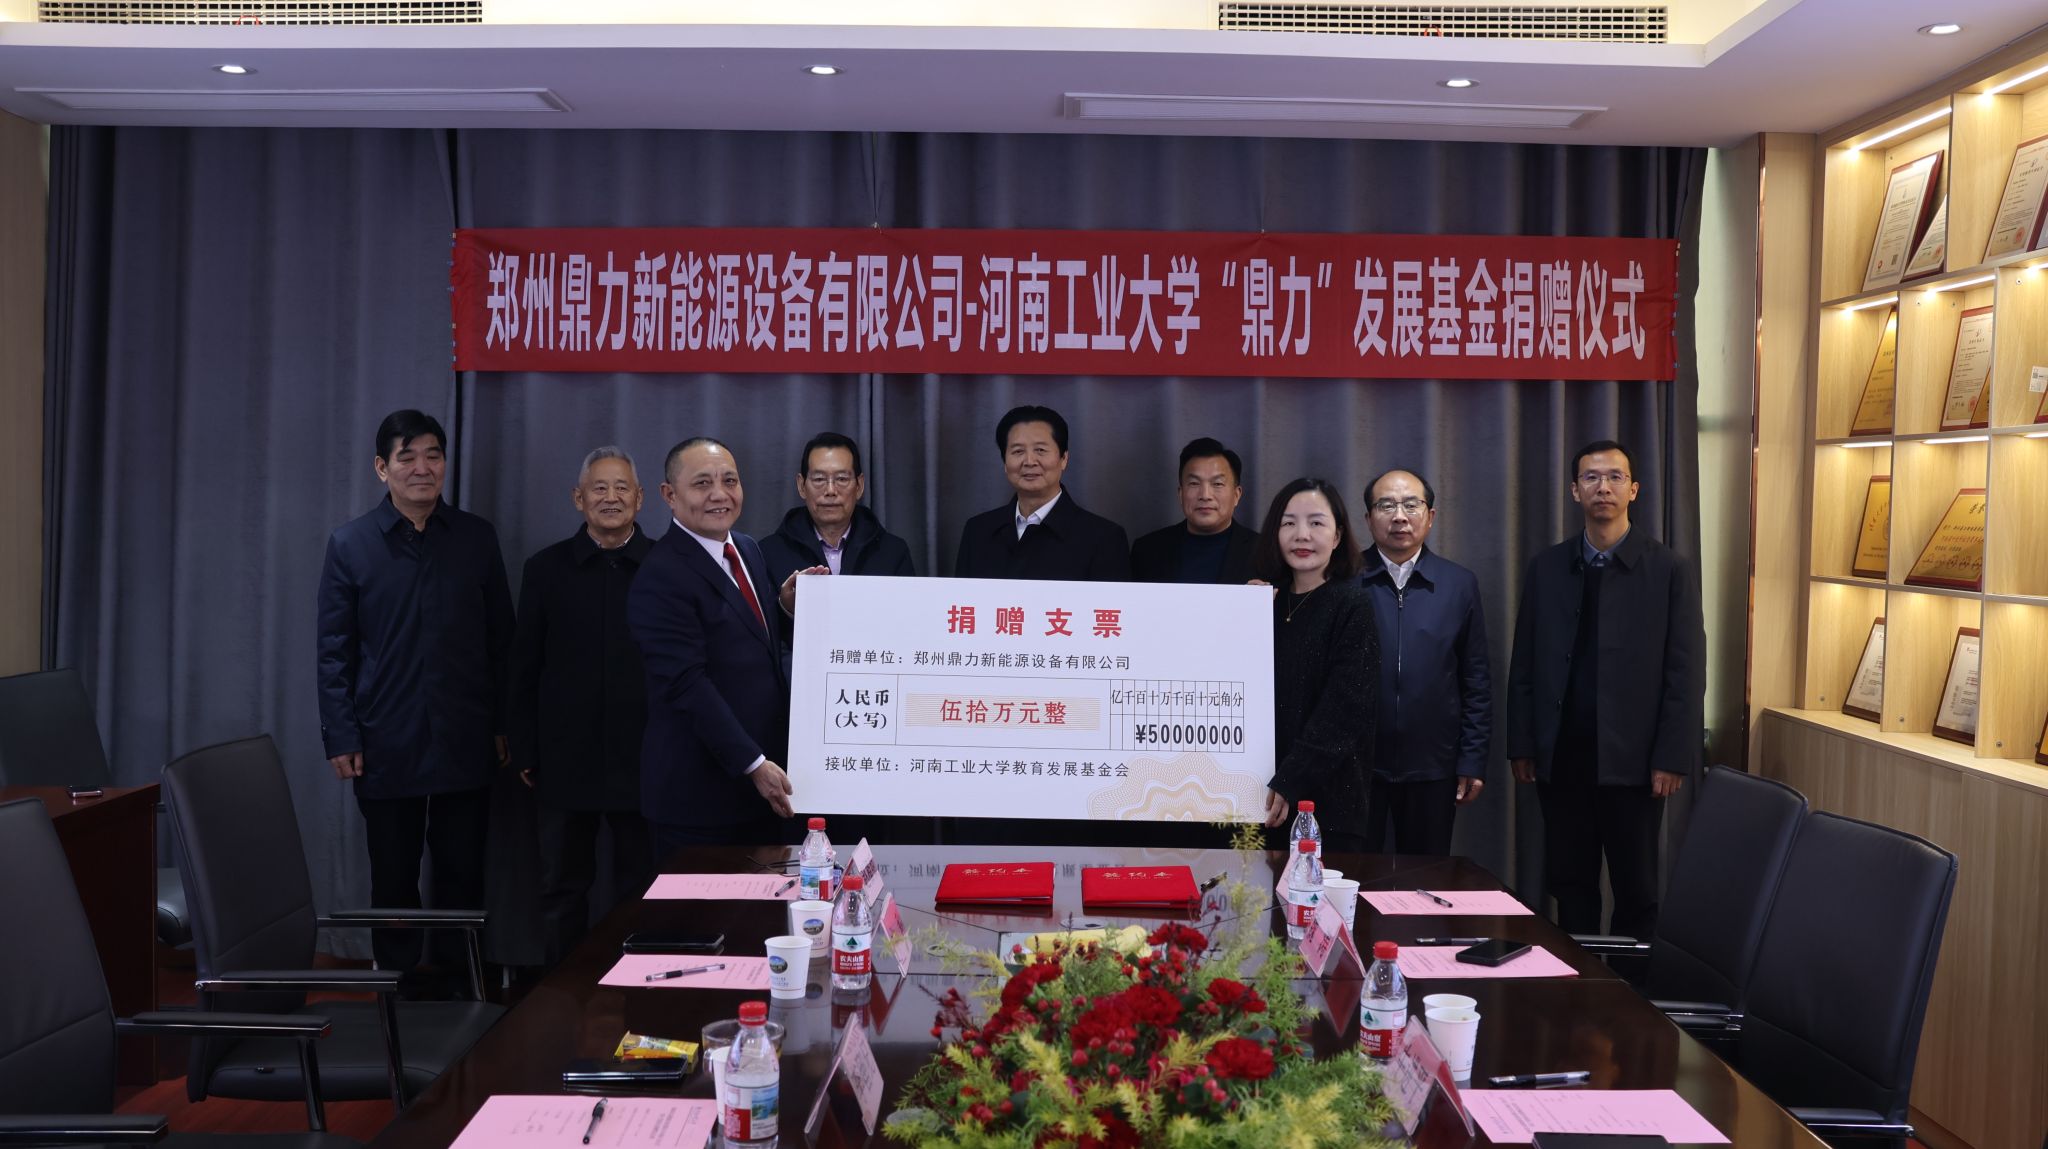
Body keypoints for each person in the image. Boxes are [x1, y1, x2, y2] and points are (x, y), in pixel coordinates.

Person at [316, 409, 513, 988]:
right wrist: (342, 734)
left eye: (433, 455)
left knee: (461, 869)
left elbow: (502, 640)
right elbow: (333, 651)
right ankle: (396, 991)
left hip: (465, 733)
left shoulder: (475, 537)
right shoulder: (351, 544)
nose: (422, 468)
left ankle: (459, 983)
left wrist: (504, 724)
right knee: (394, 873)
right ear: (383, 468)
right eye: (407, 457)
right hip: (386, 738)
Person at [1507, 439, 1705, 940]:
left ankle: (1631, 986)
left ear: (1634, 490)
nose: (1604, 487)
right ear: (1575, 491)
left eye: (1616, 477)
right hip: (1563, 757)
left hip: (1636, 764)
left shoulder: (1669, 570)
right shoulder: (1547, 567)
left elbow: (1686, 672)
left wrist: (1672, 756)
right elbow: (1524, 663)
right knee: (1570, 884)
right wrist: (1523, 745)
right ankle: (1579, 980)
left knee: (1637, 890)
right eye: (1591, 477)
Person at [628, 437, 812, 856]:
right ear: (669, 495)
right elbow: (686, 683)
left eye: (730, 481)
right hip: (699, 799)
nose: (719, 494)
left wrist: (783, 608)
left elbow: (749, 642)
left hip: (762, 793)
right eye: (702, 483)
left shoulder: (747, 548)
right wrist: (753, 764)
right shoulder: (660, 574)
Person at [510, 446, 656, 963]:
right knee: (562, 885)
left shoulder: (665, 566)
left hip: (644, 756)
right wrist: (525, 748)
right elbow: (523, 666)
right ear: (579, 498)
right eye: (599, 488)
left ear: (640, 498)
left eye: (621, 488)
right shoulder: (545, 569)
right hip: (564, 757)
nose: (610, 498)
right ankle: (561, 993)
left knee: (644, 885)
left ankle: (640, 989)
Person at [1356, 469, 1491, 855]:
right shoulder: (1345, 578)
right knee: (1354, 875)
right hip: (1358, 765)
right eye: (1386, 505)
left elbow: (1476, 678)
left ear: (1430, 516)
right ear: (1368, 518)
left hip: (1433, 765)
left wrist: (1472, 759)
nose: (1399, 516)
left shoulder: (1458, 584)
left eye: (1411, 505)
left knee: (1426, 877)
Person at [1253, 477, 1379, 853]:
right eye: (1289, 523)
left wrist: (1291, 779)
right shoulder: (1262, 602)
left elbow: (1345, 709)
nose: (1302, 535)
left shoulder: (1352, 605)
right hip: (1257, 798)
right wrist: (1240, 617)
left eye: (1316, 523)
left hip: (1327, 804)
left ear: (1337, 536)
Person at [954, 405, 1131, 581]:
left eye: (1040, 450)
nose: (1029, 461)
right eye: (1018, 451)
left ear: (1064, 458)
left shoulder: (1103, 538)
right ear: (1005, 463)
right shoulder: (977, 531)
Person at [760, 431, 916, 594]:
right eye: (819, 479)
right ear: (801, 486)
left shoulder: (893, 552)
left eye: (842, 479)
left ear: (859, 486)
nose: (830, 490)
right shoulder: (768, 553)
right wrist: (784, 605)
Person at [1129, 437, 1260, 584]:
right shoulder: (1147, 550)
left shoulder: (1263, 551)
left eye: (1217, 484)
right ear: (1180, 494)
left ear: (1236, 495)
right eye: (1194, 483)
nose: (1205, 495)